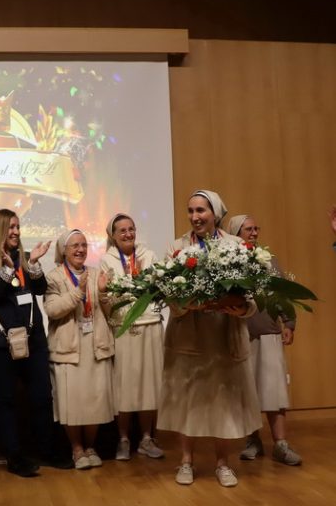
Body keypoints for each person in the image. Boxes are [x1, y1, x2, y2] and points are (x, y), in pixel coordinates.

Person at [157, 190, 262, 487]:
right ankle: (186, 461)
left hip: (224, 335)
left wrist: (243, 308)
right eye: (191, 211)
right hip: (188, 337)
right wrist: (185, 304)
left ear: (215, 213)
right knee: (187, 400)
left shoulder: (236, 246)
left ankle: (222, 464)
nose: (195, 216)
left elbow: (253, 295)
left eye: (201, 210)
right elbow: (169, 294)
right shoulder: (177, 247)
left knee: (224, 401)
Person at [0, 209, 71, 477]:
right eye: (11, 227)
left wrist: (35, 264)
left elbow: (39, 289)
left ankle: (46, 450)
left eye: (18, 227)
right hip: (0, 345)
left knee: (42, 397)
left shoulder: (25, 258)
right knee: (5, 400)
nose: (16, 232)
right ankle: (14, 456)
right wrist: (7, 269)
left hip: (33, 341)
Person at [227, 215, 301, 466]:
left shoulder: (269, 259)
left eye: (256, 228)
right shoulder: (228, 262)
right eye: (249, 229)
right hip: (240, 335)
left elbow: (282, 293)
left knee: (274, 390)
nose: (254, 232)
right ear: (236, 233)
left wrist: (288, 322)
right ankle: (253, 441)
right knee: (247, 392)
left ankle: (281, 444)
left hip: (269, 332)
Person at [44, 229, 115, 470]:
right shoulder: (53, 277)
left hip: (96, 345)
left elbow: (111, 312)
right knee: (71, 402)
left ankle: (91, 447)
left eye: (84, 245)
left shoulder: (96, 274)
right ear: (63, 250)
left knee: (94, 400)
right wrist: (78, 292)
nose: (80, 249)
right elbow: (52, 310)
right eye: (75, 245)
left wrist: (103, 293)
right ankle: (76, 448)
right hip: (68, 348)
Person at [100, 214, 165, 461]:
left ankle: (147, 438)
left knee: (150, 385)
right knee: (124, 386)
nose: (128, 234)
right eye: (122, 231)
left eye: (131, 229)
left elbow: (159, 289)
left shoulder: (149, 255)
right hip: (124, 327)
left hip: (150, 325)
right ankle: (124, 439)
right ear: (113, 236)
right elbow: (105, 298)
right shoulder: (106, 261)